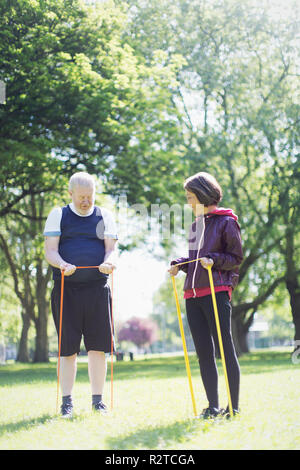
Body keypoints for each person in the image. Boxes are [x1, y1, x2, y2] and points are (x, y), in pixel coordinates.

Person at [168, 171, 243, 419]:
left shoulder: (227, 222)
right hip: (193, 294)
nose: (188, 202)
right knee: (203, 352)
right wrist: (179, 264)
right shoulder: (194, 226)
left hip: (217, 291)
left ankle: (233, 407)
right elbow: (195, 260)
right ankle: (212, 406)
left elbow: (235, 258)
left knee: (225, 349)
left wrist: (215, 260)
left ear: (202, 195)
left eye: (190, 197)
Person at [44, 172, 118, 418]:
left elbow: (112, 250)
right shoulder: (58, 215)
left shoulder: (105, 216)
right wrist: (62, 264)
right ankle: (67, 403)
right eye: (81, 197)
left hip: (98, 289)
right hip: (67, 290)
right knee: (68, 350)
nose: (86, 201)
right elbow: (50, 252)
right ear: (71, 194)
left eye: (90, 196)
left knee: (98, 348)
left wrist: (109, 263)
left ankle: (98, 402)